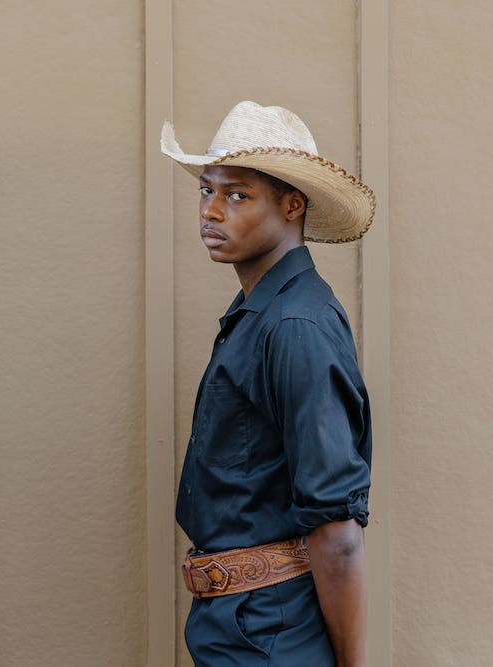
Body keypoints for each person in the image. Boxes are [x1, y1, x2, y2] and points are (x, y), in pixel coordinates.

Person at [160, 101, 376, 666]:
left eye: (237, 195)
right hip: (237, 626)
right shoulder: (258, 313)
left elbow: (337, 532)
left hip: (272, 632)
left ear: (292, 204)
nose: (211, 211)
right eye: (206, 190)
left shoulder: (296, 326)